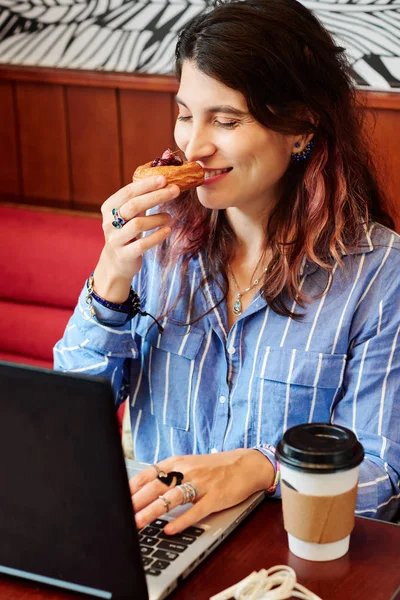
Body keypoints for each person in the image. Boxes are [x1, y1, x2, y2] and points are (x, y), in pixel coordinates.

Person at [54, 0, 400, 533]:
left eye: (227, 120)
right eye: (186, 114)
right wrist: (111, 278)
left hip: (281, 557)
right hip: (154, 536)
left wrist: (261, 467)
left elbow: (381, 481)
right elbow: (68, 422)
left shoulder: (380, 274)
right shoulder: (158, 241)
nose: (194, 144)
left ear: (301, 127)